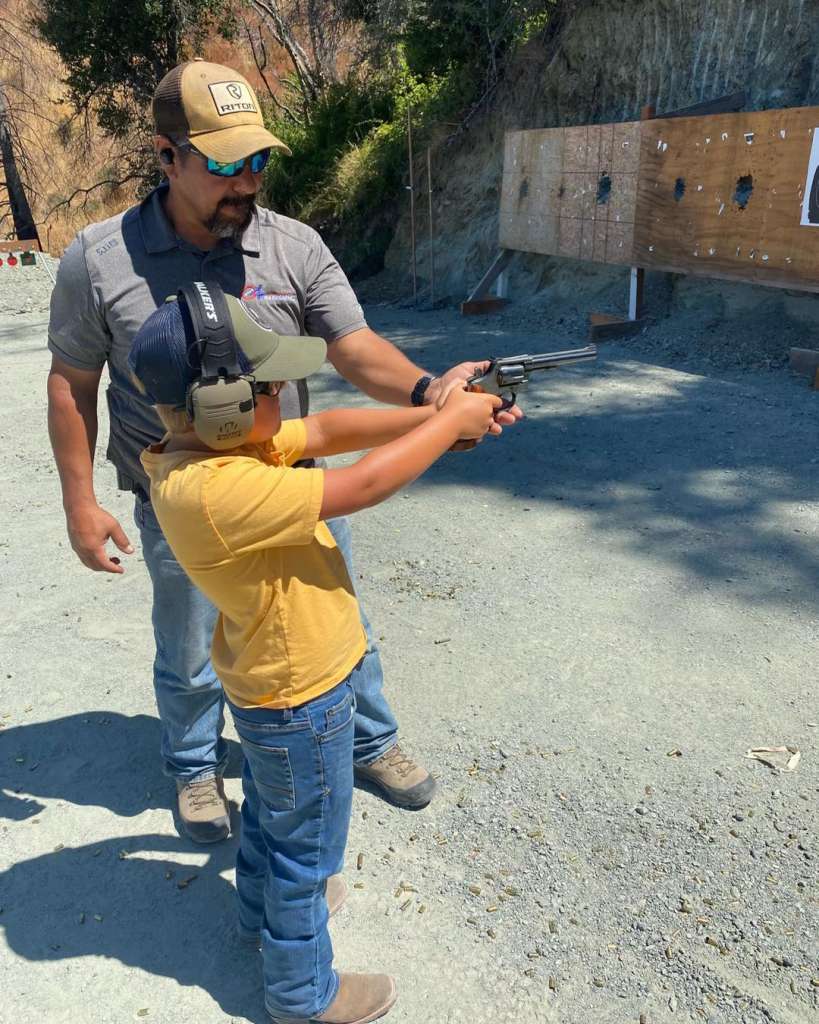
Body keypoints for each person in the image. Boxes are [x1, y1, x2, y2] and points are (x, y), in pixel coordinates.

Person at [46, 58, 521, 842]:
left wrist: (429, 397)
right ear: (167, 156)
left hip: (284, 470)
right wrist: (79, 502)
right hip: (180, 496)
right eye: (227, 163)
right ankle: (195, 767)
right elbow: (71, 382)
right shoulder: (99, 260)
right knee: (190, 640)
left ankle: (368, 741)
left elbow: (352, 346)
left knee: (334, 618)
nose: (248, 181)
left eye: (259, 159)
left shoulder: (291, 244)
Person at [127, 280, 505, 1023]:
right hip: (304, 699)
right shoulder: (213, 488)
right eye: (270, 384)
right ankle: (304, 994)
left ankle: (261, 913)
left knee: (274, 816)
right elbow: (360, 485)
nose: (286, 396)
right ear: (222, 404)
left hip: (275, 691)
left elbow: (328, 433)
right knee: (309, 849)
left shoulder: (206, 448)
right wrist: (445, 424)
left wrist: (436, 415)